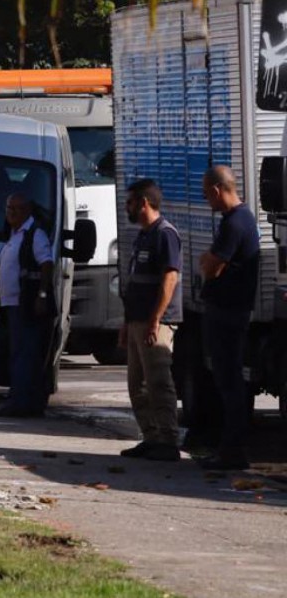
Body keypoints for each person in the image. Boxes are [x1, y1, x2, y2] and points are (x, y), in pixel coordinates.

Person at [197, 165, 260, 470]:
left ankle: (232, 449)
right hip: (229, 310)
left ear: (217, 190)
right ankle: (229, 447)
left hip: (228, 312)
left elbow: (212, 266)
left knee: (229, 380)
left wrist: (208, 261)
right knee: (227, 379)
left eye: (205, 194)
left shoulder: (235, 223)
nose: (206, 200)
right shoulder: (239, 219)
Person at [118, 179, 182, 462]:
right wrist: (126, 322)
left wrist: (156, 319)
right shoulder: (143, 235)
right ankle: (151, 436)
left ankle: (168, 440)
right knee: (137, 385)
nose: (127, 208)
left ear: (144, 203)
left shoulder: (164, 234)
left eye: (130, 202)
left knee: (158, 382)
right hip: (137, 320)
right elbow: (135, 283)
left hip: (155, 323)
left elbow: (170, 279)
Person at [0, 193, 54, 418]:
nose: (11, 213)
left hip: (27, 304)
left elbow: (47, 264)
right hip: (12, 303)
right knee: (18, 353)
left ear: (28, 211)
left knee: (25, 355)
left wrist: (42, 295)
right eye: (9, 208)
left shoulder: (34, 234)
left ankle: (22, 403)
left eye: (17, 209)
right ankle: (20, 400)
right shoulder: (13, 234)